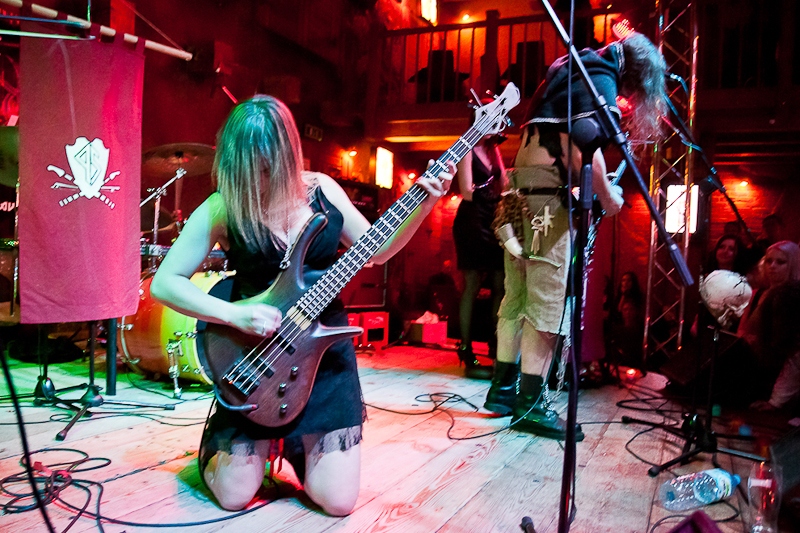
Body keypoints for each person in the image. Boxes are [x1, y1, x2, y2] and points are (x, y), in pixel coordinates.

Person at [150, 95, 453, 515]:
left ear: (286, 154)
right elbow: (164, 284)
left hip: (322, 353)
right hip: (256, 357)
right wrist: (235, 313)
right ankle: (227, 444)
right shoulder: (224, 205)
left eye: (266, 164)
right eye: (248, 167)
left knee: (338, 502)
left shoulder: (322, 191)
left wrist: (426, 203)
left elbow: (378, 251)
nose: (258, 176)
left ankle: (293, 443)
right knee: (235, 497)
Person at [485, 32, 666, 441]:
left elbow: (561, 139)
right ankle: (530, 405)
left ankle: (502, 391)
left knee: (515, 299)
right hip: (548, 202)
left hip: (522, 191)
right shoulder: (598, 74)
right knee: (546, 308)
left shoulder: (568, 69)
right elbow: (584, 146)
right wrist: (608, 195)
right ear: (636, 75)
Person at [452, 106, 507, 379]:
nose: (500, 124)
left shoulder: (493, 150)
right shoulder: (465, 147)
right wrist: (494, 193)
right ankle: (466, 348)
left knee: (500, 282)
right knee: (472, 284)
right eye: (495, 119)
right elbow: (467, 191)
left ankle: (498, 347)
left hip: (493, 218)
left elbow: (505, 186)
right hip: (472, 219)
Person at [736, 241, 800, 411]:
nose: (772, 267)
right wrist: (747, 338)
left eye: (780, 262)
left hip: (780, 377)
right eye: (769, 261)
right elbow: (741, 329)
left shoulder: (793, 298)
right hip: (755, 370)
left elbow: (794, 355)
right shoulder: (758, 294)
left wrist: (776, 400)